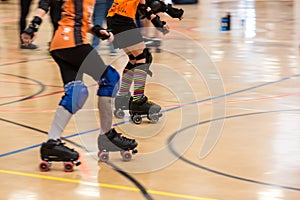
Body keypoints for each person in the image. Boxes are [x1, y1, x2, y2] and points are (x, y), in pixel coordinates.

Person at [21, 0, 138, 166]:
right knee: (110, 78)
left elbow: (78, 18)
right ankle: (107, 136)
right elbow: (45, 4)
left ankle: (51, 143)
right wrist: (33, 26)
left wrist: (97, 31)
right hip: (72, 42)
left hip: (60, 45)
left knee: (77, 92)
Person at [107, 0, 183, 123]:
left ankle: (122, 97)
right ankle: (138, 100)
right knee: (142, 58)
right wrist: (171, 11)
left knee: (134, 59)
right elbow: (152, 4)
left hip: (114, 19)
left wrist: (158, 22)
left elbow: (144, 7)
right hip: (123, 21)